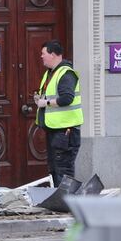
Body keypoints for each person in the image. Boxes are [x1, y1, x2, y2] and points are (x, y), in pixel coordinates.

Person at [34, 40, 83, 187]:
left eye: (43, 53)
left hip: (65, 131)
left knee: (63, 170)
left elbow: (67, 98)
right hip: (55, 129)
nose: (41, 56)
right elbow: (51, 95)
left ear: (53, 54)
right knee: (55, 168)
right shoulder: (50, 73)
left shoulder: (66, 73)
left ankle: (66, 203)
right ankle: (59, 202)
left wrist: (46, 103)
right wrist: (40, 99)